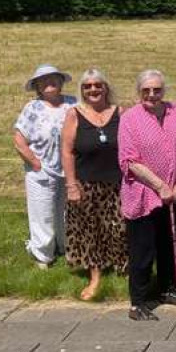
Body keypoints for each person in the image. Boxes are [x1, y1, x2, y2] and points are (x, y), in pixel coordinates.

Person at [117, 70, 176, 321]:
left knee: (168, 243)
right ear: (139, 92)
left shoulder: (175, 112)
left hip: (173, 192)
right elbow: (129, 160)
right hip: (142, 192)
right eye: (146, 90)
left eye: (157, 90)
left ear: (164, 90)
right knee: (143, 249)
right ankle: (137, 302)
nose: (152, 94)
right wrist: (159, 185)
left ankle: (167, 289)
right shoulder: (130, 118)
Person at [60, 68, 126, 301]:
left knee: (120, 228)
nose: (93, 89)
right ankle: (96, 276)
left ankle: (123, 270)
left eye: (97, 84)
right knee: (91, 232)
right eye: (87, 86)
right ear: (82, 90)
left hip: (118, 183)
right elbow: (67, 152)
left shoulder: (120, 112)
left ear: (106, 87)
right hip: (85, 183)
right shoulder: (74, 114)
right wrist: (71, 185)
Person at [14, 64, 76, 269]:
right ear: (38, 86)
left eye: (54, 79)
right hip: (41, 169)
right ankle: (43, 254)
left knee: (68, 211)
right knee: (43, 211)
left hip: (69, 169)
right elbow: (19, 140)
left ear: (61, 82)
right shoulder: (32, 108)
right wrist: (35, 162)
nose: (50, 83)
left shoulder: (72, 104)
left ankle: (65, 246)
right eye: (44, 80)